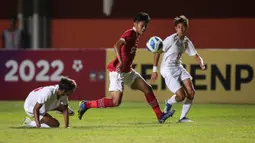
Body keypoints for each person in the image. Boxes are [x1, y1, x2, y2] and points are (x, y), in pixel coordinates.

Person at [78, 12, 175, 124]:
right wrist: (120, 61)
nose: (144, 28)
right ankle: (86, 104)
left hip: (127, 71)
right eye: (142, 25)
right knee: (115, 102)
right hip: (117, 72)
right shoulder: (130, 33)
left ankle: (160, 116)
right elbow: (116, 45)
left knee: (147, 89)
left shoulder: (136, 36)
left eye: (146, 26)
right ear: (135, 23)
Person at [150, 15, 205, 123]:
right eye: (179, 27)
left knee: (191, 92)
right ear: (176, 28)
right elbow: (158, 52)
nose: (181, 29)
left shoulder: (186, 41)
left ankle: (182, 118)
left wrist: (201, 63)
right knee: (181, 96)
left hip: (178, 67)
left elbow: (196, 56)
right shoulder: (170, 40)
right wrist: (154, 70)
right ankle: (169, 102)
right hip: (168, 69)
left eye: (183, 27)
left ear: (186, 28)